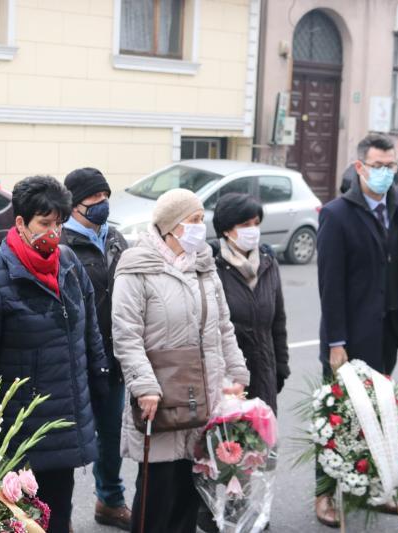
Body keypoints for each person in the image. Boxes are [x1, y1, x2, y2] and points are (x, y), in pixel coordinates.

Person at [0, 176, 109, 533]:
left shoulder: (69, 263)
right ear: (20, 223)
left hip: (67, 418)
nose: (54, 233)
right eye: (45, 224)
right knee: (23, 520)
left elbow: (89, 330)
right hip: (22, 429)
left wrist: (99, 379)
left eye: (59, 223)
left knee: (59, 513)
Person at [112, 188, 250, 533]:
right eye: (194, 220)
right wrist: (144, 386)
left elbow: (222, 326)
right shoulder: (137, 267)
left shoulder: (204, 266)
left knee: (191, 491)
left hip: (202, 398)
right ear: (172, 225)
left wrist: (236, 374)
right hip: (160, 399)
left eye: (202, 220)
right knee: (158, 494)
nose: (200, 228)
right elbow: (126, 336)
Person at [314, 133, 398, 527]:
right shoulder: (336, 214)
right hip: (348, 335)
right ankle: (325, 496)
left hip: (389, 330)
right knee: (337, 419)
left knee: (380, 413)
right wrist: (335, 342)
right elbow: (330, 285)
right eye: (378, 166)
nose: (385, 173)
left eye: (391, 166)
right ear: (360, 167)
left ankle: (375, 489)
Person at [61, 167, 131, 530]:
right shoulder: (62, 244)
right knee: (70, 441)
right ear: (74, 205)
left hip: (114, 356)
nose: (102, 205)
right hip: (77, 357)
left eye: (105, 198)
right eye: (94, 200)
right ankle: (60, 514)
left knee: (111, 433)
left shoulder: (116, 238)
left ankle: (110, 500)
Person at [211, 193, 290, 414]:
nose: (253, 230)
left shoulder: (267, 262)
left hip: (265, 370)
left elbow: (278, 321)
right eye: (245, 224)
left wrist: (281, 366)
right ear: (226, 229)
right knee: (232, 445)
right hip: (229, 379)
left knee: (263, 440)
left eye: (256, 223)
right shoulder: (213, 266)